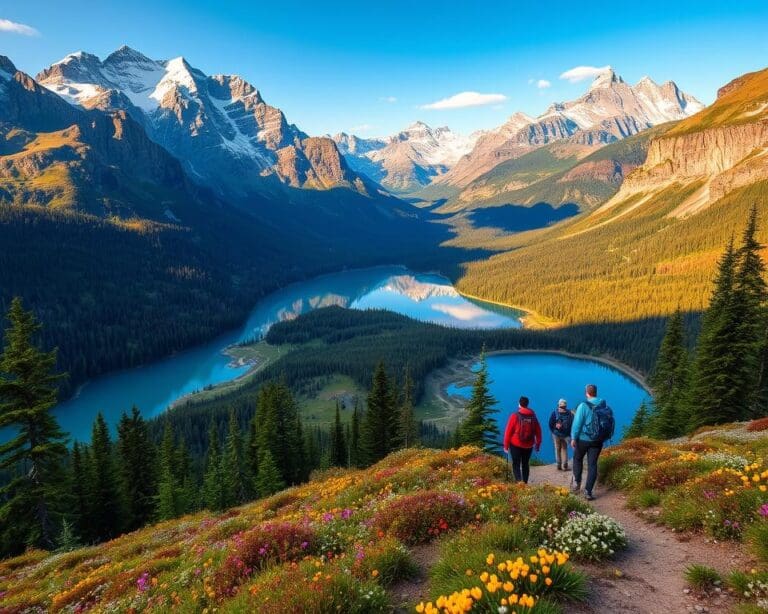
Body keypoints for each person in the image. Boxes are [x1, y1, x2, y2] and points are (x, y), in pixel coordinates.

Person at [571, 384, 613, 501]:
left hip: (583, 439)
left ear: (587, 393)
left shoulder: (583, 406)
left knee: (577, 459)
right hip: (598, 440)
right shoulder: (603, 405)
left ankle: (576, 484)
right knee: (592, 464)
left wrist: (573, 437)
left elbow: (577, 423)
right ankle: (588, 492)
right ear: (596, 392)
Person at [503, 396, 542, 484]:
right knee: (525, 464)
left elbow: (508, 431)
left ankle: (519, 482)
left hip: (515, 444)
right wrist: (537, 445)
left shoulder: (515, 416)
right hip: (529, 445)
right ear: (527, 404)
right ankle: (525, 482)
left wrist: (506, 446)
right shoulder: (533, 417)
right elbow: (538, 432)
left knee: (516, 463)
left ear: (519, 404)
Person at [548, 398, 573, 471]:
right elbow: (572, 424)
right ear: (566, 405)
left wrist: (553, 431)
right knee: (564, 449)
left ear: (558, 405)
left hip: (556, 434)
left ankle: (558, 465)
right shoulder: (570, 414)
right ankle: (565, 465)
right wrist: (569, 433)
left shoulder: (555, 413)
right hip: (565, 435)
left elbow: (550, 423)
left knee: (557, 449)